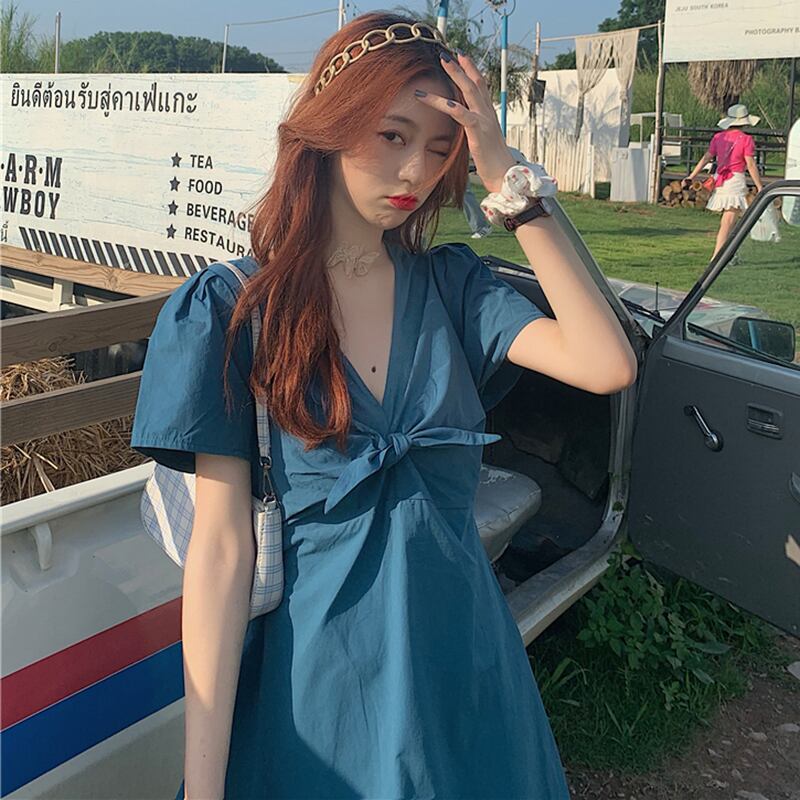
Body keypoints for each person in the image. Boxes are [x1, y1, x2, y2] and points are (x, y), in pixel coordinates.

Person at [130, 12, 636, 800]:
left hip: (466, 675)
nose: (415, 171)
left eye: (440, 147)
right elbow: (221, 556)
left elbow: (606, 363)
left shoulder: (455, 289)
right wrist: (203, 786)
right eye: (392, 136)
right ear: (329, 129)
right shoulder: (233, 312)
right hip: (321, 698)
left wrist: (512, 183)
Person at [685, 103, 764, 258]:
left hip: (721, 179)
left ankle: (730, 255)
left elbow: (706, 158)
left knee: (731, 221)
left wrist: (691, 175)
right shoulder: (746, 139)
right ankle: (717, 257)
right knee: (728, 221)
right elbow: (750, 164)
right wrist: (759, 186)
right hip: (735, 179)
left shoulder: (718, 137)